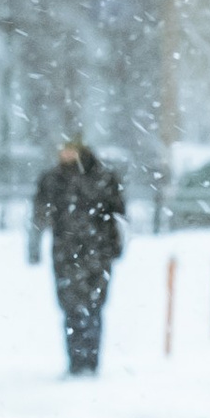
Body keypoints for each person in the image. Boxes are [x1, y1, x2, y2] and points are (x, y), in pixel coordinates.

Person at [29, 136, 127, 377]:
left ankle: (90, 362)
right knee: (71, 307)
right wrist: (33, 246)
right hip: (65, 254)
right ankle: (76, 362)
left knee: (94, 307)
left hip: (97, 252)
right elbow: (39, 213)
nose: (66, 155)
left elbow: (119, 214)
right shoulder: (53, 179)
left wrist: (115, 246)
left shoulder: (102, 177)